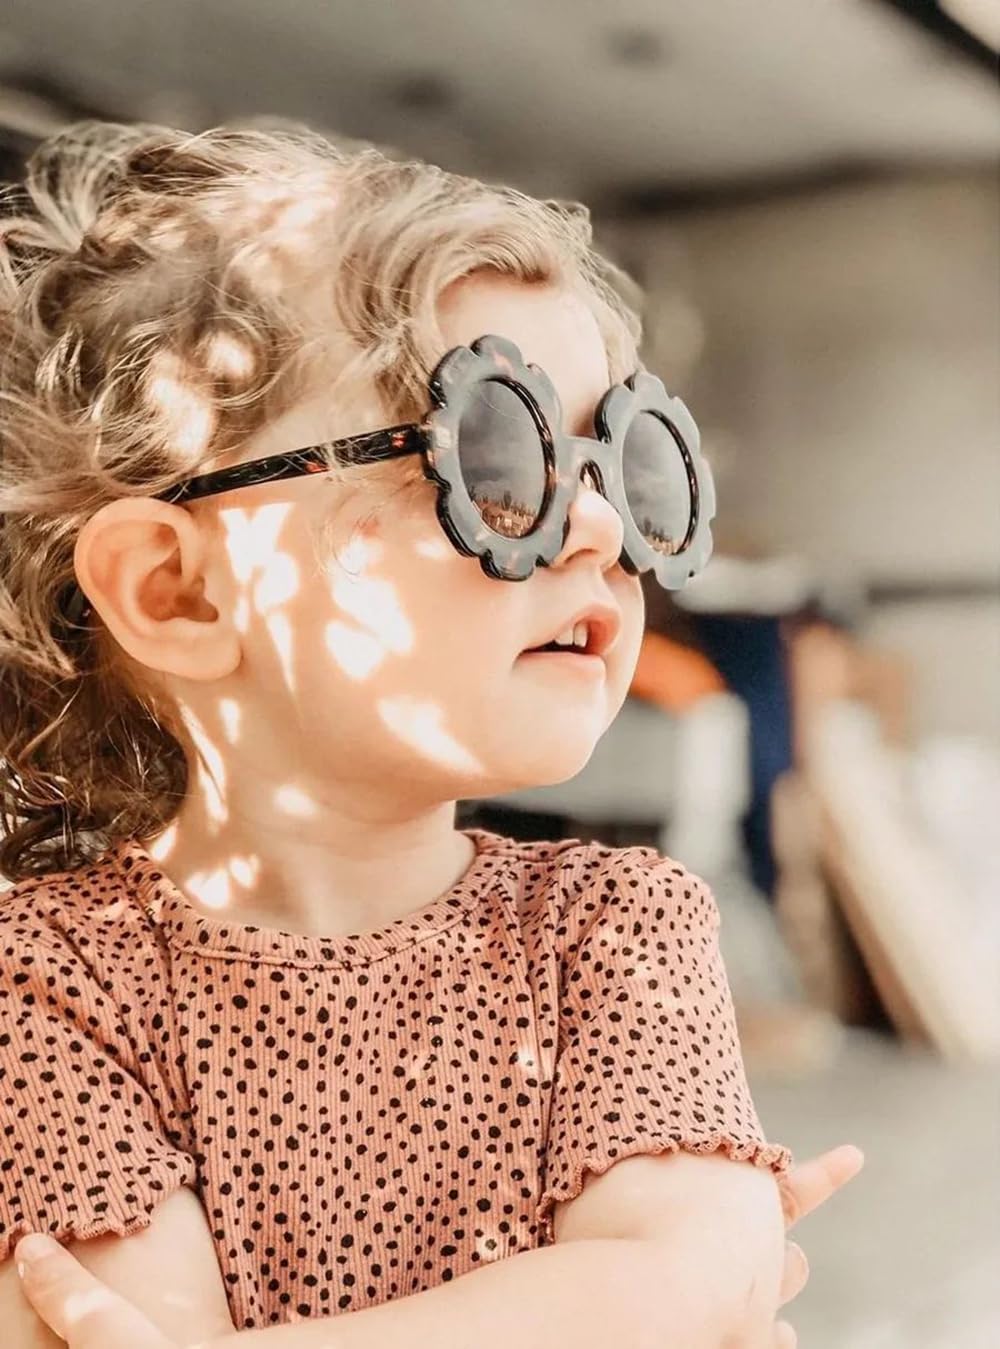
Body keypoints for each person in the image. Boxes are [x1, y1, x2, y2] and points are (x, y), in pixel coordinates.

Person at [0, 120, 863, 1348]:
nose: (598, 531)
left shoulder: (611, 925)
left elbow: (683, 1280)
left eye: (626, 464)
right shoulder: (47, 977)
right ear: (177, 591)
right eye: (495, 454)